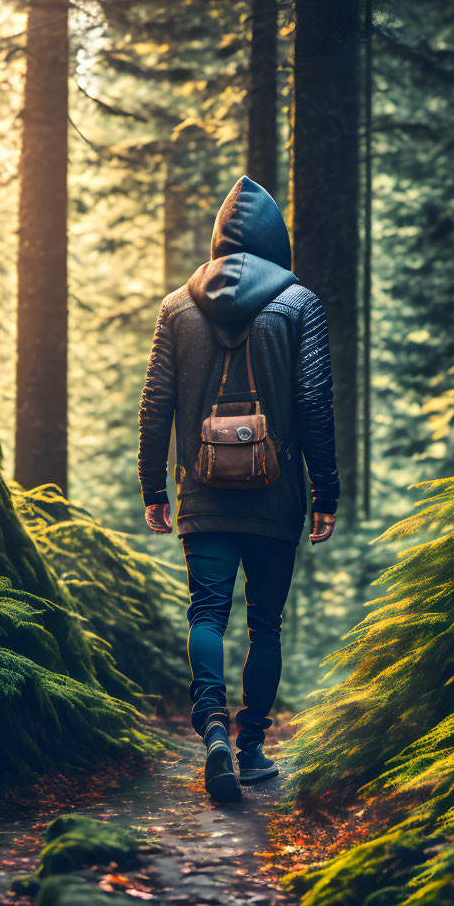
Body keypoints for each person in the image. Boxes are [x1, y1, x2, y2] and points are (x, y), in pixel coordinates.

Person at [138, 175, 339, 803]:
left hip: (201, 490)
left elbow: (155, 406)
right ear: (275, 241)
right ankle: (251, 746)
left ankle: (215, 733)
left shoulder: (177, 307)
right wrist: (324, 492)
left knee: (207, 614)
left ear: (221, 240)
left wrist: (154, 487)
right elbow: (314, 406)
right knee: (266, 626)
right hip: (275, 496)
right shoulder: (300, 303)